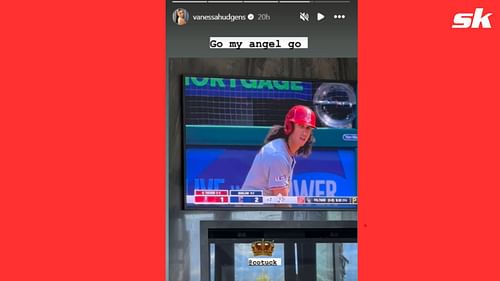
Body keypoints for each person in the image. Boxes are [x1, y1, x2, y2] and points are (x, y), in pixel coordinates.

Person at [241, 105, 316, 196]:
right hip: (252, 209)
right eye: (301, 126)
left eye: (308, 128)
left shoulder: (284, 150)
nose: (305, 133)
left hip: (260, 209)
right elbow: (281, 202)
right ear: (290, 127)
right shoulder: (278, 155)